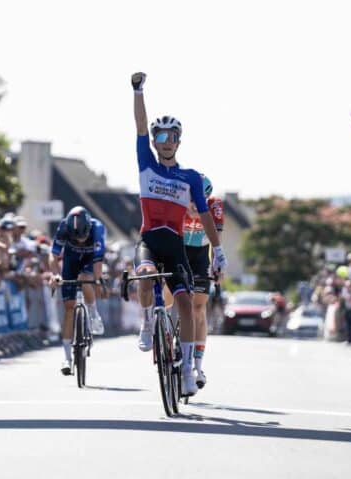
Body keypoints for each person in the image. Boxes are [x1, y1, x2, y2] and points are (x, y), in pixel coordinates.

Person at [131, 72, 227, 397]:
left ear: (179, 140)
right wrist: (138, 92)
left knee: (186, 305)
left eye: (172, 136)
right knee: (144, 274)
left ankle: (187, 370)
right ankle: (146, 323)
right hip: (149, 241)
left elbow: (204, 215)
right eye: (160, 137)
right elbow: (140, 126)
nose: (165, 141)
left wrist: (219, 250)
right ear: (155, 142)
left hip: (176, 246)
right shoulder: (147, 165)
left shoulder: (191, 178)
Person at [48, 206, 107, 375]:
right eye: (77, 238)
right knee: (69, 308)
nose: (81, 240)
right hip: (71, 262)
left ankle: (94, 314)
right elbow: (53, 254)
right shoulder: (63, 227)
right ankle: (66, 357)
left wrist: (98, 282)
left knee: (85, 279)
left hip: (90, 261)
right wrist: (54, 275)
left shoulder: (97, 228)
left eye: (83, 236)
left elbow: (97, 263)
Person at [182, 174, 223, 389]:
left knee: (198, 309)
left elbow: (217, 243)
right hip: (178, 253)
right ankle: (165, 335)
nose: (195, 207)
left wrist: (218, 266)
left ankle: (197, 366)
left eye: (200, 203)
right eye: (192, 201)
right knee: (173, 300)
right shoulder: (176, 203)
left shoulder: (215, 205)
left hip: (199, 255)